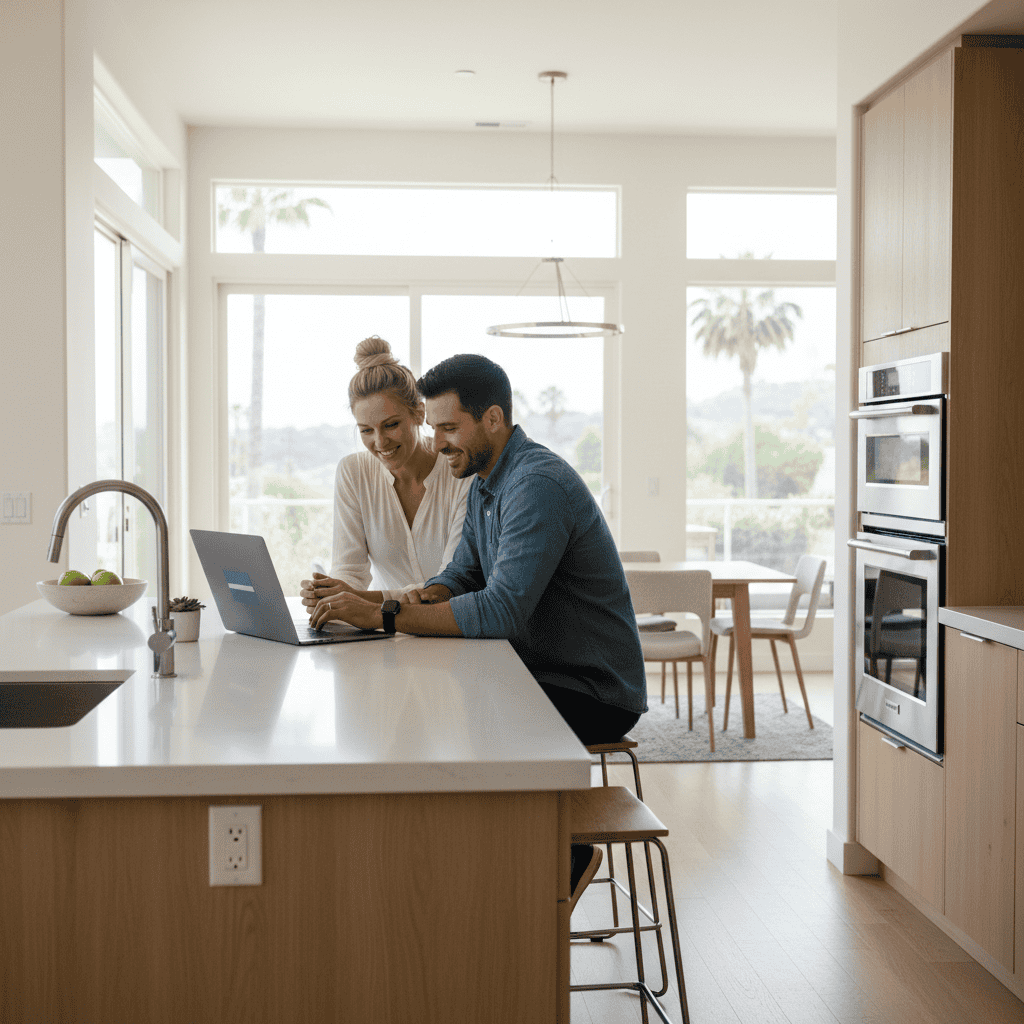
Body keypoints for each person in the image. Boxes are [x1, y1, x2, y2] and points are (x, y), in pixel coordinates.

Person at [309, 352, 647, 906]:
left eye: (447, 428)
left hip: (588, 687)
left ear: (492, 419)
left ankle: (547, 865)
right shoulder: (489, 480)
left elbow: (500, 611)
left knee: (451, 737)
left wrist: (384, 613)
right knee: (427, 720)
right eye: (435, 427)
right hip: (535, 673)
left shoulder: (535, 484)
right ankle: (467, 884)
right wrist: (409, 595)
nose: (437, 443)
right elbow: (460, 573)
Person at [300, 336, 472, 612]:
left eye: (390, 425)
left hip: (451, 629)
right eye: (366, 430)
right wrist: (330, 592)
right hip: (387, 633)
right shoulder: (353, 473)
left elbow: (448, 587)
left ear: (419, 414)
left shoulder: (460, 473)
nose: (380, 443)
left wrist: (360, 599)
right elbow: (349, 570)